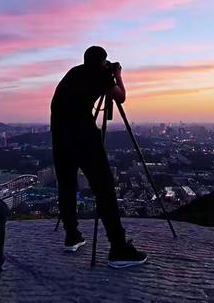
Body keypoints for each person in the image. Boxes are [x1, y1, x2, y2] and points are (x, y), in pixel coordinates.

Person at [51, 46, 147, 268]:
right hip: (83, 136)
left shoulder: (74, 73)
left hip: (59, 137)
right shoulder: (101, 74)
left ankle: (72, 235)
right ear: (102, 62)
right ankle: (118, 248)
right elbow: (121, 97)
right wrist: (118, 75)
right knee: (104, 189)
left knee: (66, 185)